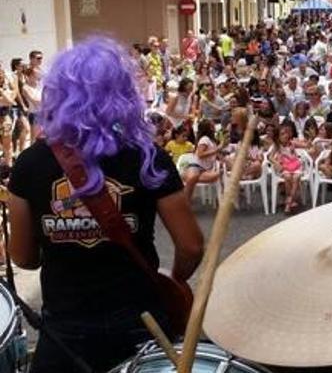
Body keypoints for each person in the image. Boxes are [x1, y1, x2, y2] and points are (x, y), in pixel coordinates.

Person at [7, 39, 204, 372]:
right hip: (139, 318)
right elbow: (191, 245)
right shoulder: (146, 156)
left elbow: (24, 258)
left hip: (66, 326)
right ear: (122, 93)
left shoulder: (29, 164)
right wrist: (175, 278)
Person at [182, 118, 224, 201]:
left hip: (205, 170)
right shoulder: (204, 139)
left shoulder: (212, 140)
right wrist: (217, 149)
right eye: (212, 125)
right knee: (192, 178)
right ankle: (185, 202)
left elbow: (215, 154)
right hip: (196, 166)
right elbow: (200, 154)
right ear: (210, 128)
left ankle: (184, 176)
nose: (215, 126)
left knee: (216, 175)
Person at [271, 123, 304, 214]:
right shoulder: (277, 146)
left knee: (296, 177)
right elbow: (270, 157)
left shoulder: (292, 143)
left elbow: (305, 145)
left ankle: (288, 203)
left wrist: (308, 141)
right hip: (286, 167)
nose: (285, 135)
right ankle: (291, 200)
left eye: (286, 133)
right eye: (282, 134)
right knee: (288, 177)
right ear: (277, 137)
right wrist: (276, 162)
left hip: (296, 166)